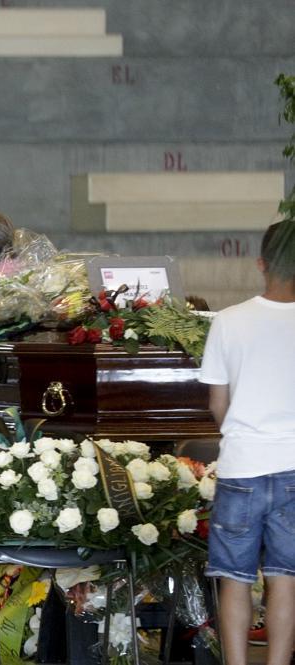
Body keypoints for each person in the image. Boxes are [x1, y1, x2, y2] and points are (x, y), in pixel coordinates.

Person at [199, 219, 295, 665]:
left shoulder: (228, 321)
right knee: (286, 579)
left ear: (260, 264)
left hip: (242, 467)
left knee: (234, 579)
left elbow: (219, 403)